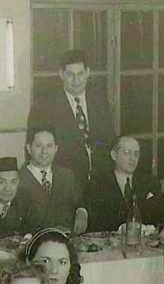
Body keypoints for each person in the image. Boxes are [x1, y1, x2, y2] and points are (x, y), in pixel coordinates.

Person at [26, 49, 116, 187]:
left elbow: (110, 143)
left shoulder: (100, 102)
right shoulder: (44, 107)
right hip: (64, 187)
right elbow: (33, 152)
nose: (76, 80)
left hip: (101, 185)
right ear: (61, 74)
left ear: (88, 73)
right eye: (70, 75)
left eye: (80, 74)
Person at [84, 136, 164, 233]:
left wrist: (151, 228)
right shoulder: (98, 184)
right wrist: (120, 228)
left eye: (136, 154)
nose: (132, 158)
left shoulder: (149, 182)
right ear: (114, 155)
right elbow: (95, 221)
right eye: (127, 153)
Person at [14, 126, 86, 233]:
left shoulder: (67, 175)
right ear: (29, 148)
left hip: (69, 243)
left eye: (49, 146)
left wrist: (82, 212)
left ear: (56, 148)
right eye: (38, 146)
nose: (44, 151)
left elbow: (80, 201)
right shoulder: (17, 180)